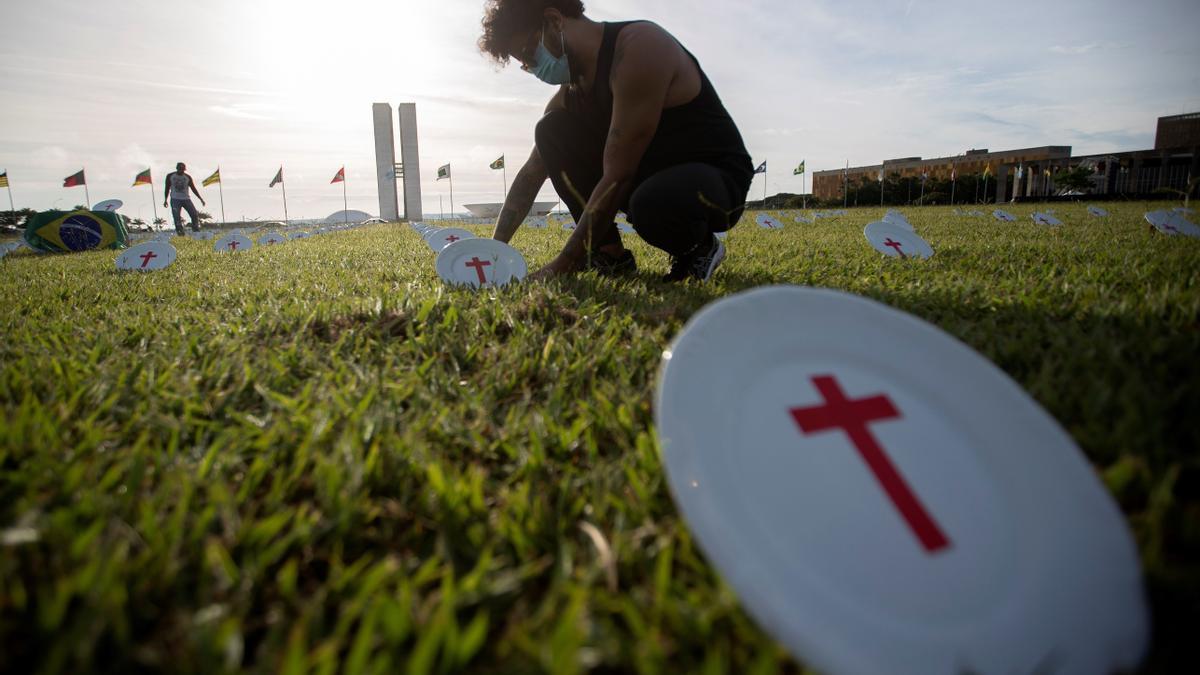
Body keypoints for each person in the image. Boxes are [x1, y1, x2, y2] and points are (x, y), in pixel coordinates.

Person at [479, 1, 753, 282]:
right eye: (527, 65)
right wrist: (493, 249)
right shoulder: (572, 92)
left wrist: (564, 264)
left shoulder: (639, 47)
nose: (536, 69)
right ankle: (608, 253)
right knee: (551, 130)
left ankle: (699, 248)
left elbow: (617, 176)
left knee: (653, 202)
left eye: (529, 54)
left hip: (713, 176)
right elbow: (533, 170)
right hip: (645, 176)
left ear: (554, 20)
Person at [163, 162, 206, 235]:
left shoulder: (187, 177)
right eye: (180, 169)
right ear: (177, 169)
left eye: (183, 169)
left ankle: (195, 230)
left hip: (186, 199)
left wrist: (200, 199)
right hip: (175, 199)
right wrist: (165, 200)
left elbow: (193, 188)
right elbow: (167, 188)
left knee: (194, 214)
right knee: (176, 216)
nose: (181, 171)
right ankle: (180, 232)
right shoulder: (170, 176)